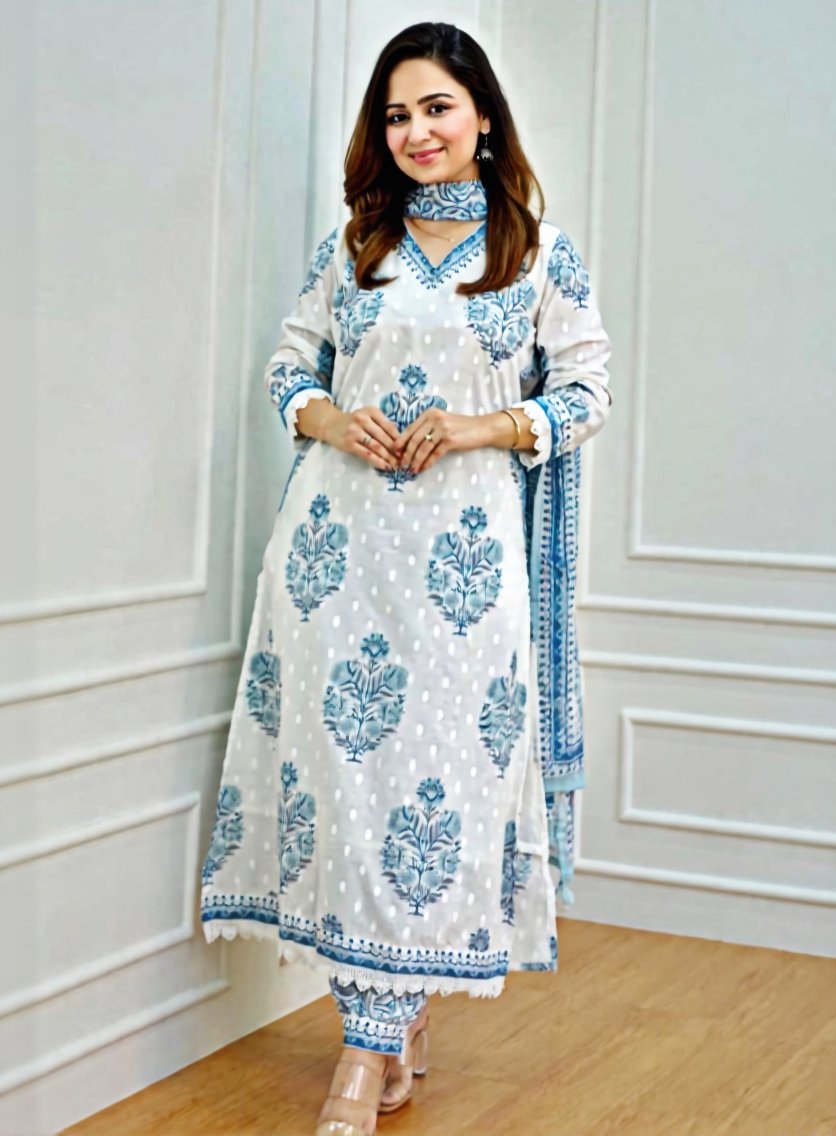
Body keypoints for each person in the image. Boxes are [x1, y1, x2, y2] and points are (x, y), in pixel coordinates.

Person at [199, 19, 612, 1136]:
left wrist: (481, 426)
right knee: (348, 796)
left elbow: (587, 392)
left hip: (463, 578)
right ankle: (378, 1033)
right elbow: (290, 364)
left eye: (437, 107)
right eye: (396, 114)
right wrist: (330, 415)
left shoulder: (536, 253)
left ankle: (372, 1042)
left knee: (434, 798)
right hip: (334, 564)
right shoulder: (357, 247)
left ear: (483, 118)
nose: (417, 131)